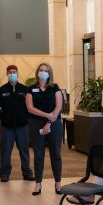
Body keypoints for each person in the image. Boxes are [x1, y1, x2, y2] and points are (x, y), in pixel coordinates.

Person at [25, 62, 64, 196]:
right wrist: (47, 115)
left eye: (45, 70)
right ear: (37, 73)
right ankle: (38, 184)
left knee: (56, 153)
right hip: (35, 124)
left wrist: (49, 121)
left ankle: (58, 183)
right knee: (38, 154)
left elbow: (58, 107)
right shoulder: (31, 89)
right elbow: (30, 108)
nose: (43, 72)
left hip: (54, 123)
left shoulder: (55, 88)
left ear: (49, 73)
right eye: (41, 70)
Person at [0, 64, 33, 183]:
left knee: (24, 150)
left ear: (18, 73)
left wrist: (27, 118)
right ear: (7, 74)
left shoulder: (25, 90)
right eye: (10, 72)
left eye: (14, 72)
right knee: (6, 150)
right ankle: (4, 174)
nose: (12, 74)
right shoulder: (1, 90)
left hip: (22, 126)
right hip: (7, 127)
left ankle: (27, 172)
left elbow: (31, 106)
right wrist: (3, 118)